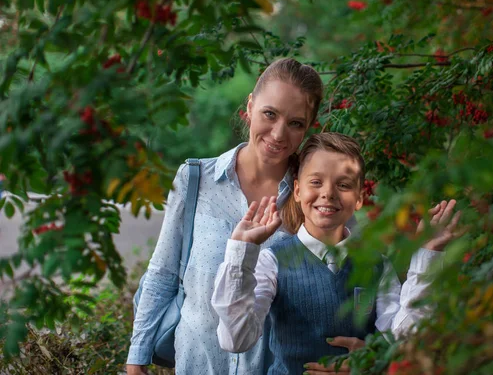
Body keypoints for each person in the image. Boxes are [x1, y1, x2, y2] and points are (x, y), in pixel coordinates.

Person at [126, 58, 324, 375]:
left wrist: (354, 354)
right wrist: (136, 361)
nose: (278, 133)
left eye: (295, 123)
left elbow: (342, 282)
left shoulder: (315, 198)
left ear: (307, 128)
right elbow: (162, 274)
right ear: (250, 106)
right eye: (270, 114)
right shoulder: (195, 179)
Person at [211, 132, 461, 375]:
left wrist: (427, 255)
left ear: (360, 198)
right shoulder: (272, 262)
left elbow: (405, 342)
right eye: (316, 182)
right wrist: (240, 252)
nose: (328, 193)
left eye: (343, 184)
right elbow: (236, 340)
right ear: (297, 190)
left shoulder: (377, 266)